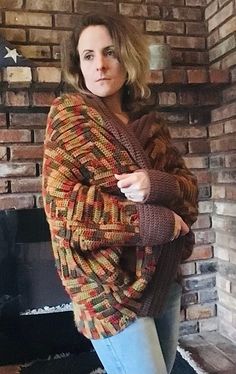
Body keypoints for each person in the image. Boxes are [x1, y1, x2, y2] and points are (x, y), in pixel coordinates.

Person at [42, 12, 198, 374]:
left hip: (163, 279)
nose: (100, 65)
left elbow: (189, 192)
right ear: (77, 66)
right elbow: (63, 207)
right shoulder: (69, 117)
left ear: (128, 56)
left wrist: (159, 183)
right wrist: (150, 221)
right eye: (88, 56)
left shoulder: (152, 124)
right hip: (106, 288)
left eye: (109, 52)